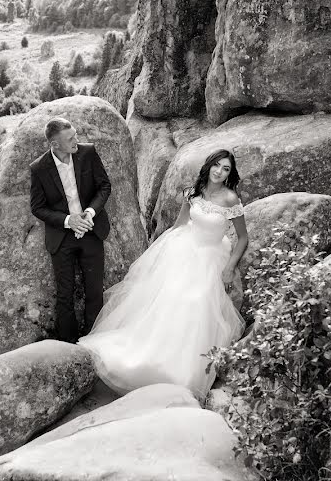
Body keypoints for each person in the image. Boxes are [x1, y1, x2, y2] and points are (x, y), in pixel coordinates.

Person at [78, 149, 248, 398]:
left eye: (226, 169)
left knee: (197, 305)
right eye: (217, 165)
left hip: (211, 257)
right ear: (208, 165)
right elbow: (180, 224)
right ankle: (151, 358)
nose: (219, 172)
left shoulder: (230, 199)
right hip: (184, 249)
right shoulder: (192, 192)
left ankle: (183, 371)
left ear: (230, 174)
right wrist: (160, 252)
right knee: (166, 301)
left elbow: (243, 239)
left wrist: (230, 267)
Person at [30, 117, 112, 343]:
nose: (77, 140)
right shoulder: (39, 168)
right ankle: (68, 347)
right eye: (71, 138)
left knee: (94, 292)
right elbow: (37, 207)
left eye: (75, 135)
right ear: (55, 144)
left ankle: (95, 341)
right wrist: (69, 220)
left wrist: (90, 213)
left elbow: (104, 186)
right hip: (62, 237)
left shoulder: (88, 153)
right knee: (64, 296)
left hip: (92, 230)